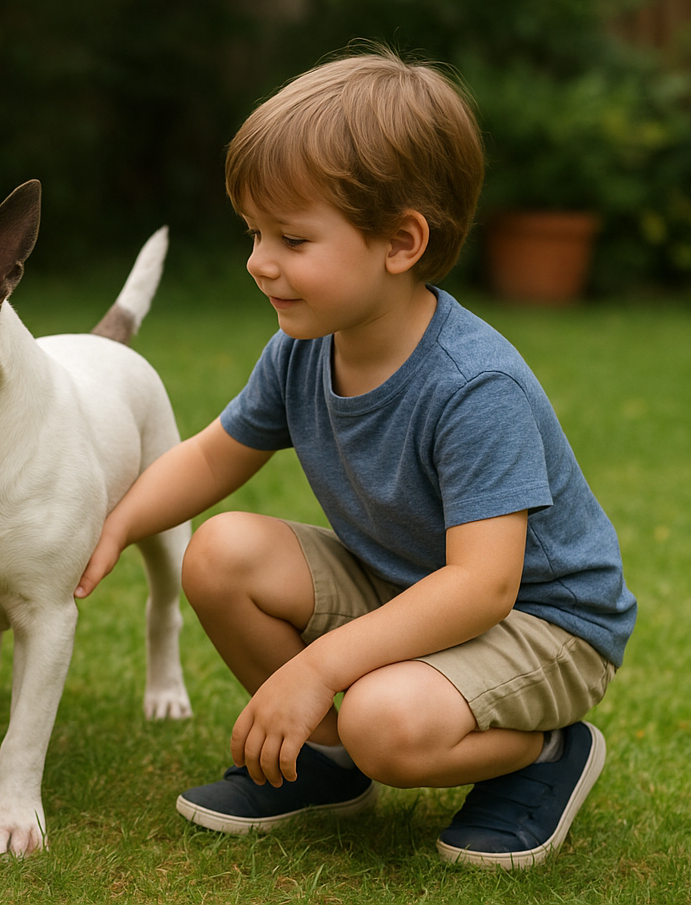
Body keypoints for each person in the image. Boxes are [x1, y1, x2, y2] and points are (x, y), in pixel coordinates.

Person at [75, 49, 635, 869]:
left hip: (540, 625)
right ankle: (328, 763)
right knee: (220, 551)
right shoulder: (305, 348)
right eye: (255, 233)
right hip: (409, 583)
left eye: (293, 238)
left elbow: (485, 585)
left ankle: (547, 752)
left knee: (383, 720)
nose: (258, 261)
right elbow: (210, 457)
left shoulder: (474, 386)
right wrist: (117, 522)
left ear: (401, 243)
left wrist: (319, 669)